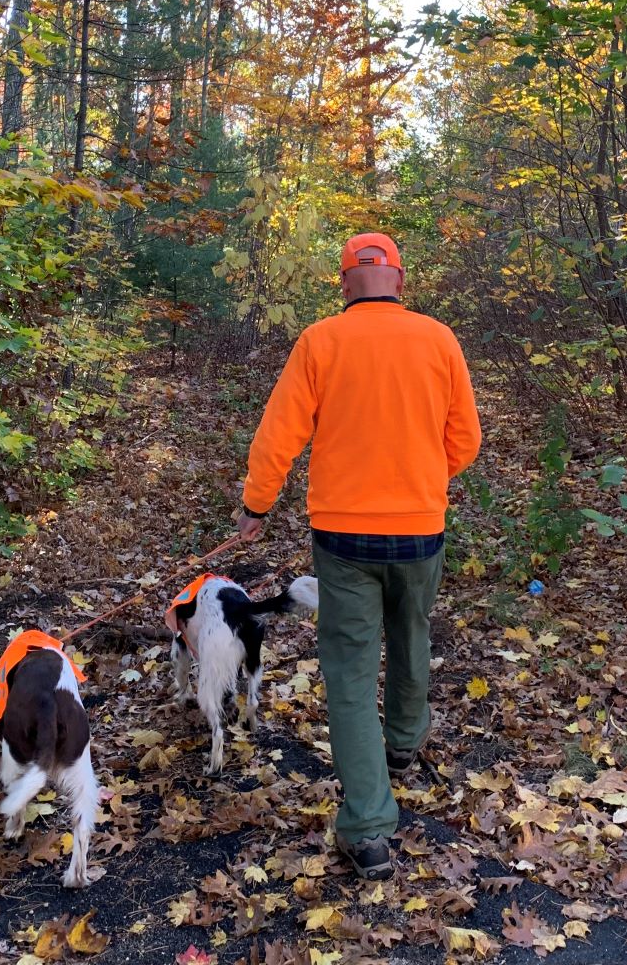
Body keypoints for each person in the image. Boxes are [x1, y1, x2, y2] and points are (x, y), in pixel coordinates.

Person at [235, 232, 482, 880]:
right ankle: (402, 743)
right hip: (420, 529)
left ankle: (369, 828)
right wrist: (424, 480)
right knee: (410, 632)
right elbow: (465, 441)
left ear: (345, 283)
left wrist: (256, 507)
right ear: (398, 279)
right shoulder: (438, 341)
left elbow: (277, 435)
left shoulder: (321, 342)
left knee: (347, 673)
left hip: (342, 538)